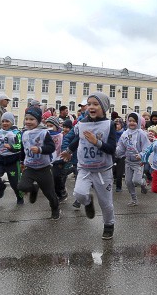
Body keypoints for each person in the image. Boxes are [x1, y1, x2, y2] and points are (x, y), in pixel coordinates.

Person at [67, 92, 117, 239]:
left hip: (103, 170)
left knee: (106, 203)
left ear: (104, 107)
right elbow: (78, 139)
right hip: (85, 168)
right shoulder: (82, 123)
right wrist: (69, 150)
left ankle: (109, 224)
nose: (91, 107)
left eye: (96, 104)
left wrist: (97, 142)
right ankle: (88, 203)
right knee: (79, 194)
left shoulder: (109, 125)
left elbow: (112, 149)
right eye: (89, 104)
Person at [18, 106, 60, 220]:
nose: (28, 122)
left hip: (43, 168)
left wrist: (40, 149)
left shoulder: (44, 133)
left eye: (31, 119)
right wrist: (22, 161)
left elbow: (51, 147)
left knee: (50, 194)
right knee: (22, 186)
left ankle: (55, 209)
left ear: (38, 120)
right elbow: (23, 149)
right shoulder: (25, 133)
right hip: (30, 167)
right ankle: (34, 189)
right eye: (26, 119)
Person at [115, 112, 150, 206]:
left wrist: (142, 155)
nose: (131, 123)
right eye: (130, 121)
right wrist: (115, 152)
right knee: (128, 181)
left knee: (136, 181)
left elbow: (147, 147)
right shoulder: (124, 134)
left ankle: (143, 183)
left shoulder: (141, 134)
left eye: (134, 121)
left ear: (138, 122)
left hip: (138, 162)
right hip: (128, 161)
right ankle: (134, 199)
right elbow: (121, 147)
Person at [0, 112, 24, 204]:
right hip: (0, 160)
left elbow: (20, 146)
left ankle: (19, 197)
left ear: (12, 122)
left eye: (7, 121)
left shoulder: (16, 133)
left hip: (12, 161)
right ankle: (1, 187)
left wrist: (11, 147)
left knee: (14, 184)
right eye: (3, 121)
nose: (4, 123)